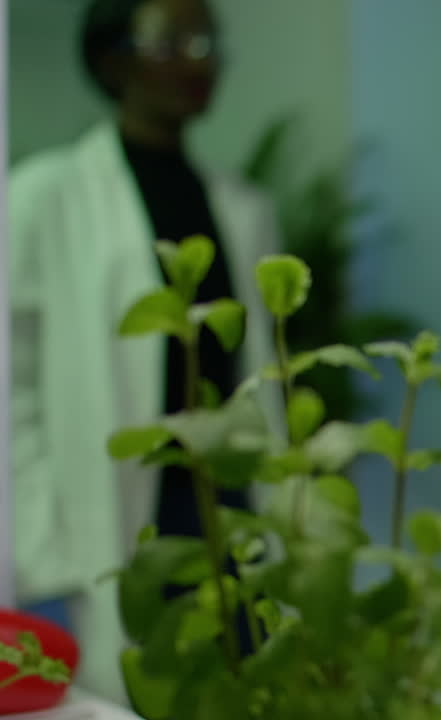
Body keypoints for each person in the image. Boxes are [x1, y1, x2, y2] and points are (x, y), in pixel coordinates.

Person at [7, 0, 279, 701]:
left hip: (227, 514)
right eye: (172, 39)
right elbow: (13, 391)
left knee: (239, 694)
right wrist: (41, 559)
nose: (199, 58)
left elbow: (263, 387)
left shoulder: (244, 210)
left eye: (207, 40)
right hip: (109, 521)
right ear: (111, 58)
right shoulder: (41, 199)